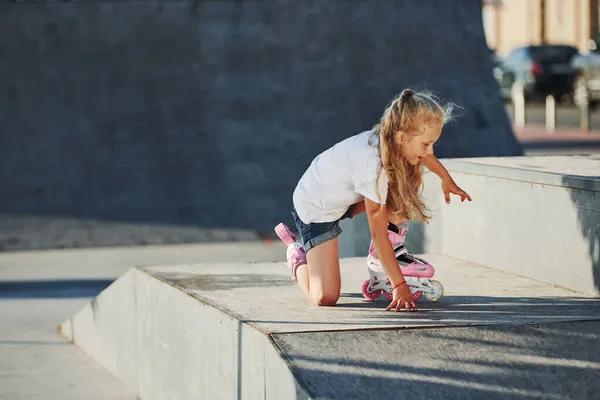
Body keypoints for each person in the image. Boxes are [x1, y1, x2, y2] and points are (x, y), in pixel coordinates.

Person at [274, 88, 471, 312]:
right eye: (426, 144)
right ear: (401, 137)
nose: (430, 150)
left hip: (342, 198)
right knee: (325, 297)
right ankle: (297, 257)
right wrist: (399, 284)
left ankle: (387, 255)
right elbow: (377, 234)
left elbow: (426, 157)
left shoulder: (391, 141)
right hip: (314, 207)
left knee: (405, 182)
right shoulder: (372, 167)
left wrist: (447, 179)